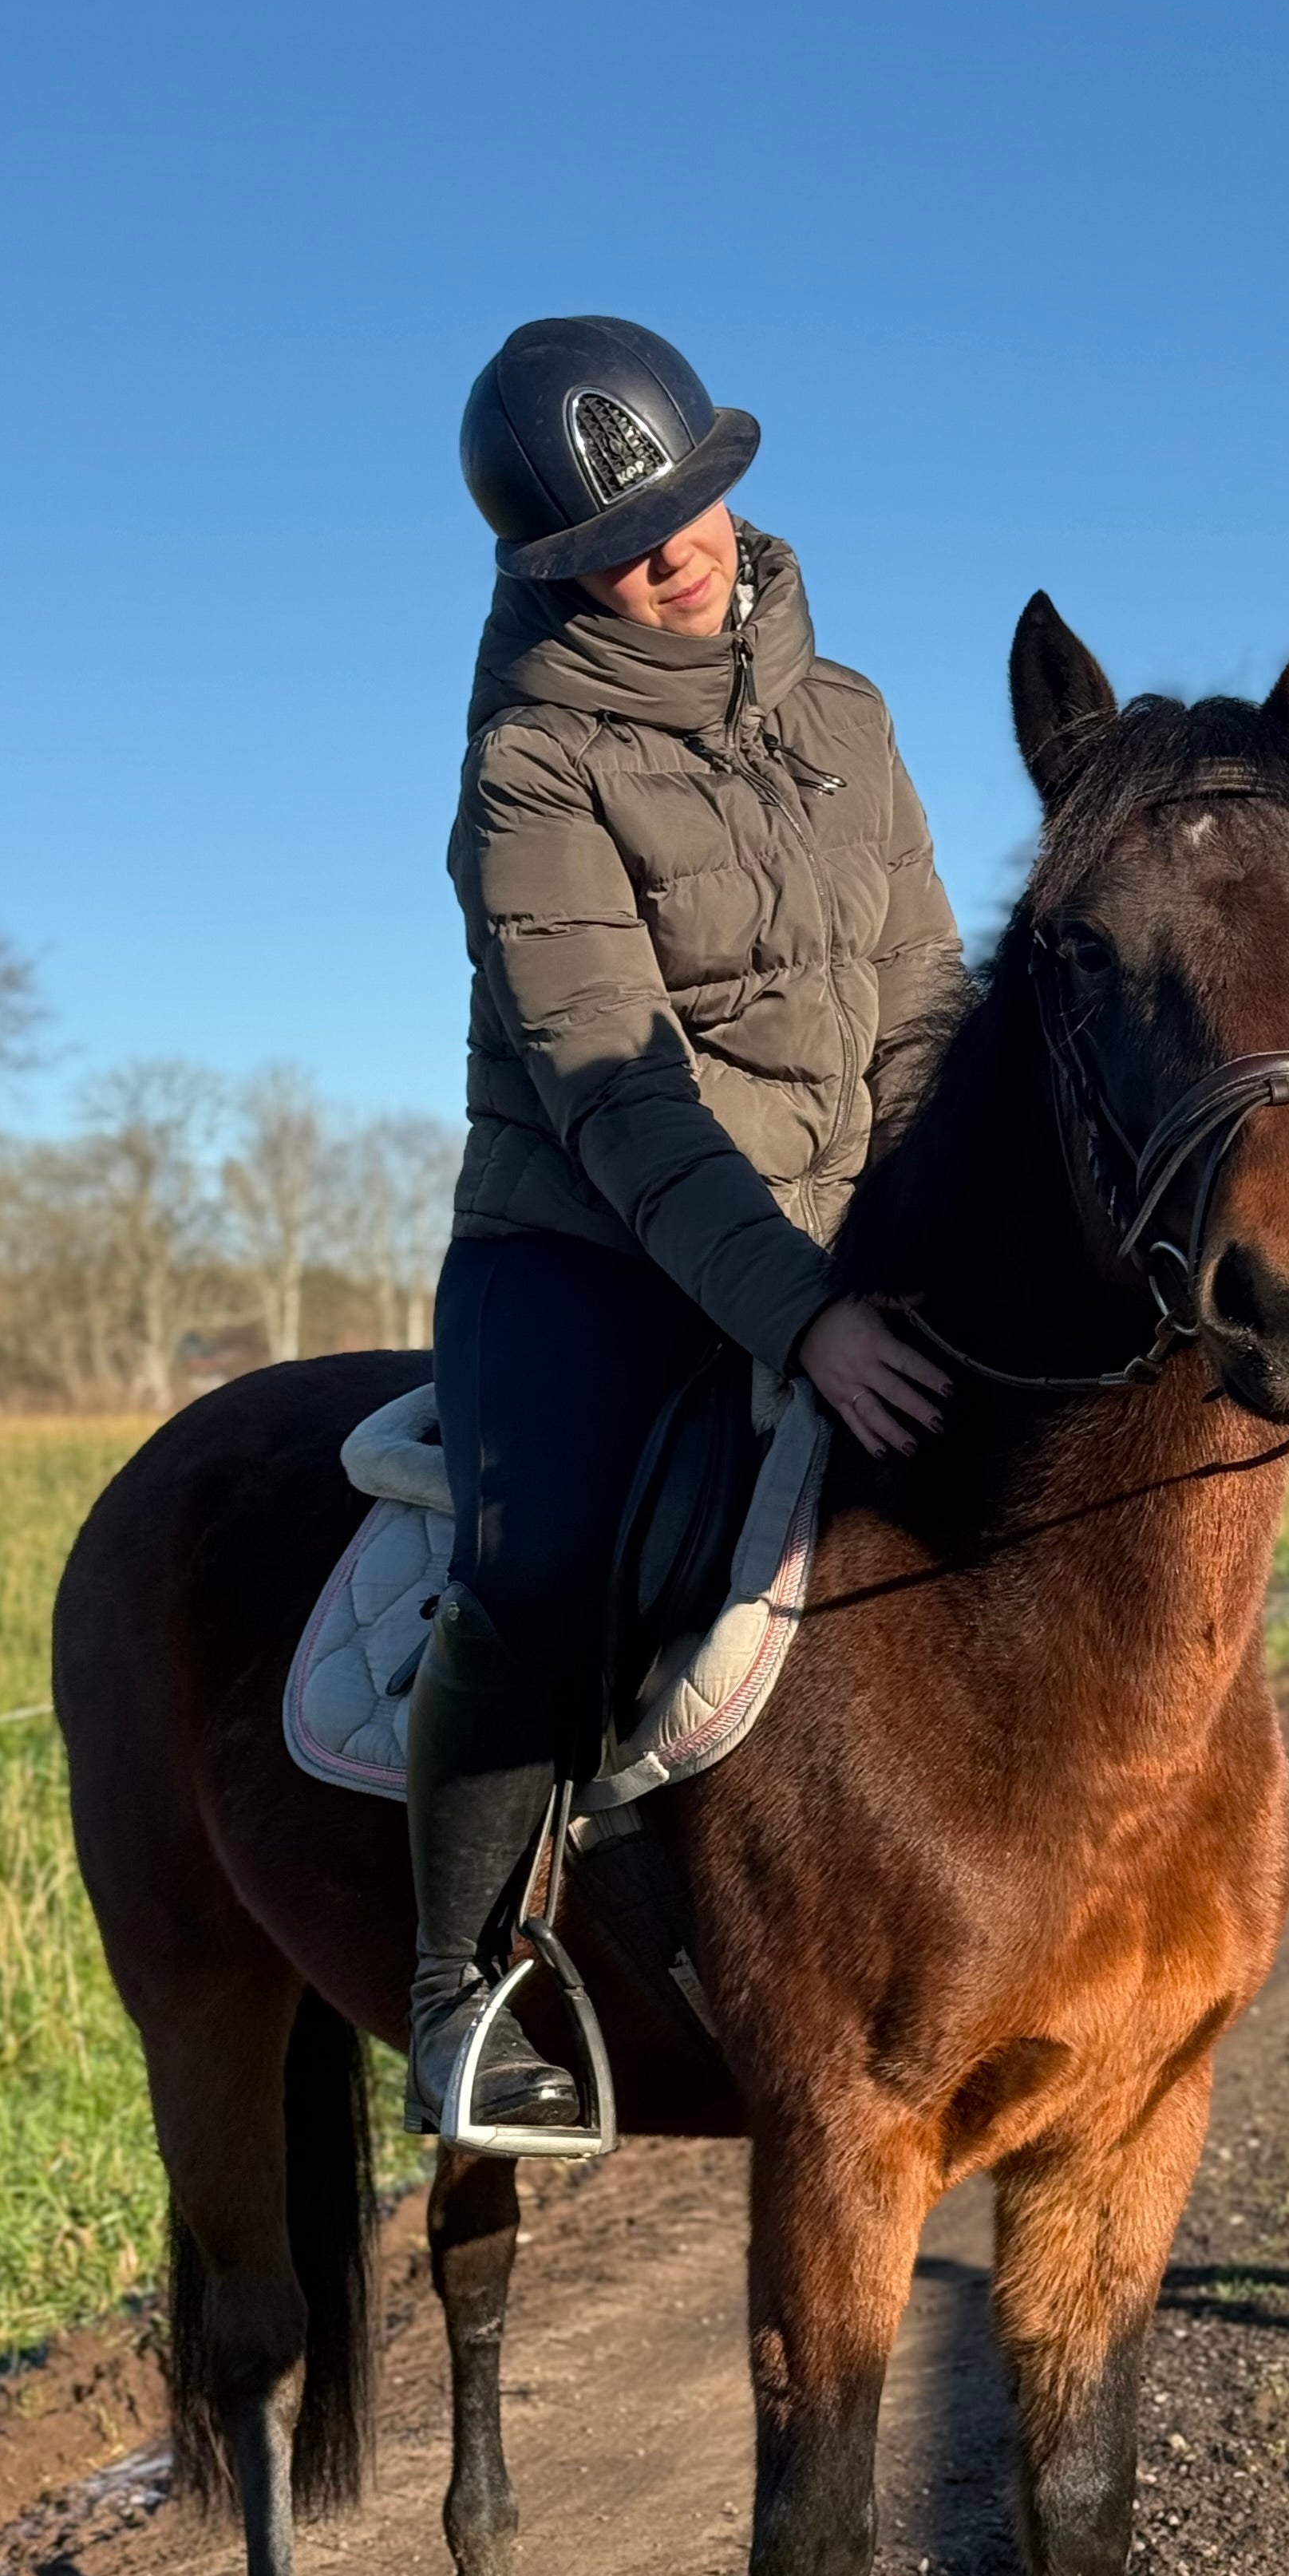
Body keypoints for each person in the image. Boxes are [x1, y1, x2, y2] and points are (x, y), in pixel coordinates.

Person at [409, 316, 961, 2154]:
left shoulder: (853, 716)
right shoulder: (529, 769)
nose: (673, 551)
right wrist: (803, 1320)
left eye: (692, 505)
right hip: (587, 1250)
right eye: (612, 546)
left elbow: (918, 1005)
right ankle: (465, 1990)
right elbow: (620, 1095)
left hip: (840, 1236)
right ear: (545, 568)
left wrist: (926, 1232)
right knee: (545, 1567)